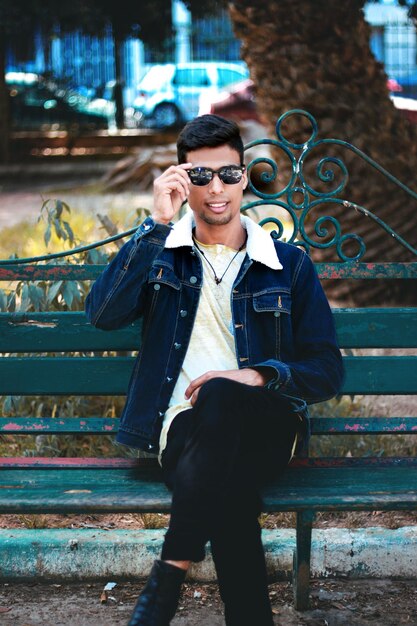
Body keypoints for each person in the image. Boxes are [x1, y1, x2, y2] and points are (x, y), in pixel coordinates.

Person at [85, 114, 344, 626]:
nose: (216, 188)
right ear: (183, 181)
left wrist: (260, 375)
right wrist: (157, 224)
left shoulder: (287, 265)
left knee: (225, 394)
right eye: (200, 177)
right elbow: (103, 314)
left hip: (266, 424)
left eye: (227, 174)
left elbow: (326, 369)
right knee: (232, 496)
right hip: (183, 432)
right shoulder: (165, 256)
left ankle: (167, 580)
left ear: (245, 176)